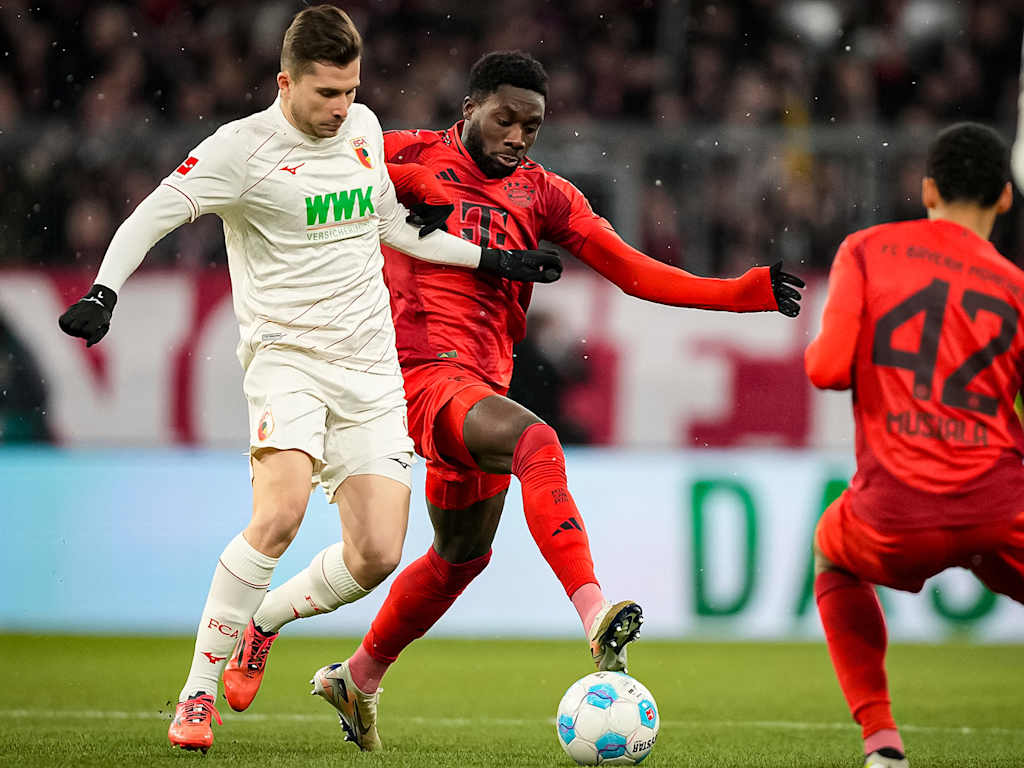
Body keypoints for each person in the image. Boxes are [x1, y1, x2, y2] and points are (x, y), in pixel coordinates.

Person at [224, 50, 804, 750]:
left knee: (460, 557)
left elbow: (633, 272)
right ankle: (593, 612)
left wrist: (740, 293)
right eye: (505, 119)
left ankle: (356, 677)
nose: (518, 137)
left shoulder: (545, 194)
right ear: (469, 109)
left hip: (478, 385)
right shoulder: (405, 154)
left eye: (532, 126)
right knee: (537, 442)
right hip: (410, 375)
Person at [56, 9, 560, 754]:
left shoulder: (359, 129)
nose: (341, 108)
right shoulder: (241, 151)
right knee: (280, 514)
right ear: (285, 82)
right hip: (286, 360)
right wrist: (105, 292)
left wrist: (494, 262)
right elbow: (151, 216)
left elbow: (389, 222)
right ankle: (197, 696)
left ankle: (264, 621)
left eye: (352, 91)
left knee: (378, 554)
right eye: (326, 93)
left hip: (369, 368)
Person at [806, 122, 1024, 768]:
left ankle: (882, 742)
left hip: (892, 511)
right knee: (983, 545)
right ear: (1005, 198)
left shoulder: (868, 250)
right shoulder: (1016, 288)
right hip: (997, 504)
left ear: (927, 188)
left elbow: (825, 369)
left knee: (832, 556)